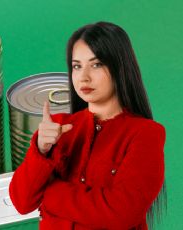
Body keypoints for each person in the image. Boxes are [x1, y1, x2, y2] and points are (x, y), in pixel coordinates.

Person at [9, 21, 166, 229]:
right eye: (77, 66)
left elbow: (121, 215)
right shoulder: (58, 127)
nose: (83, 77)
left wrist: (50, 194)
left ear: (120, 66)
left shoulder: (145, 134)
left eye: (96, 64)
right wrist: (41, 149)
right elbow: (21, 202)